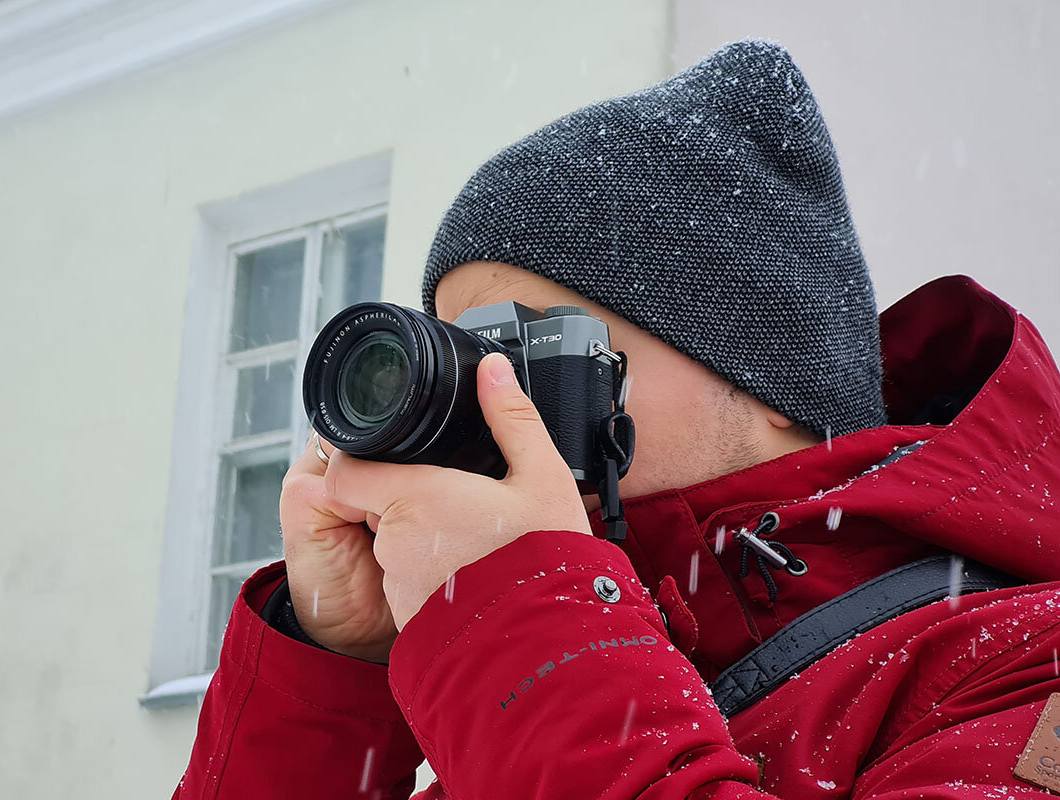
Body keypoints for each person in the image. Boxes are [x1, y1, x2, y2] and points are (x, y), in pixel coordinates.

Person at [173, 40, 1060, 799]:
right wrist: (335, 663)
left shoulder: (1022, 664)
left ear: (760, 372)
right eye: (467, 358)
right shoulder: (516, 696)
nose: (493, 407)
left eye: (533, 354)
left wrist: (525, 610)